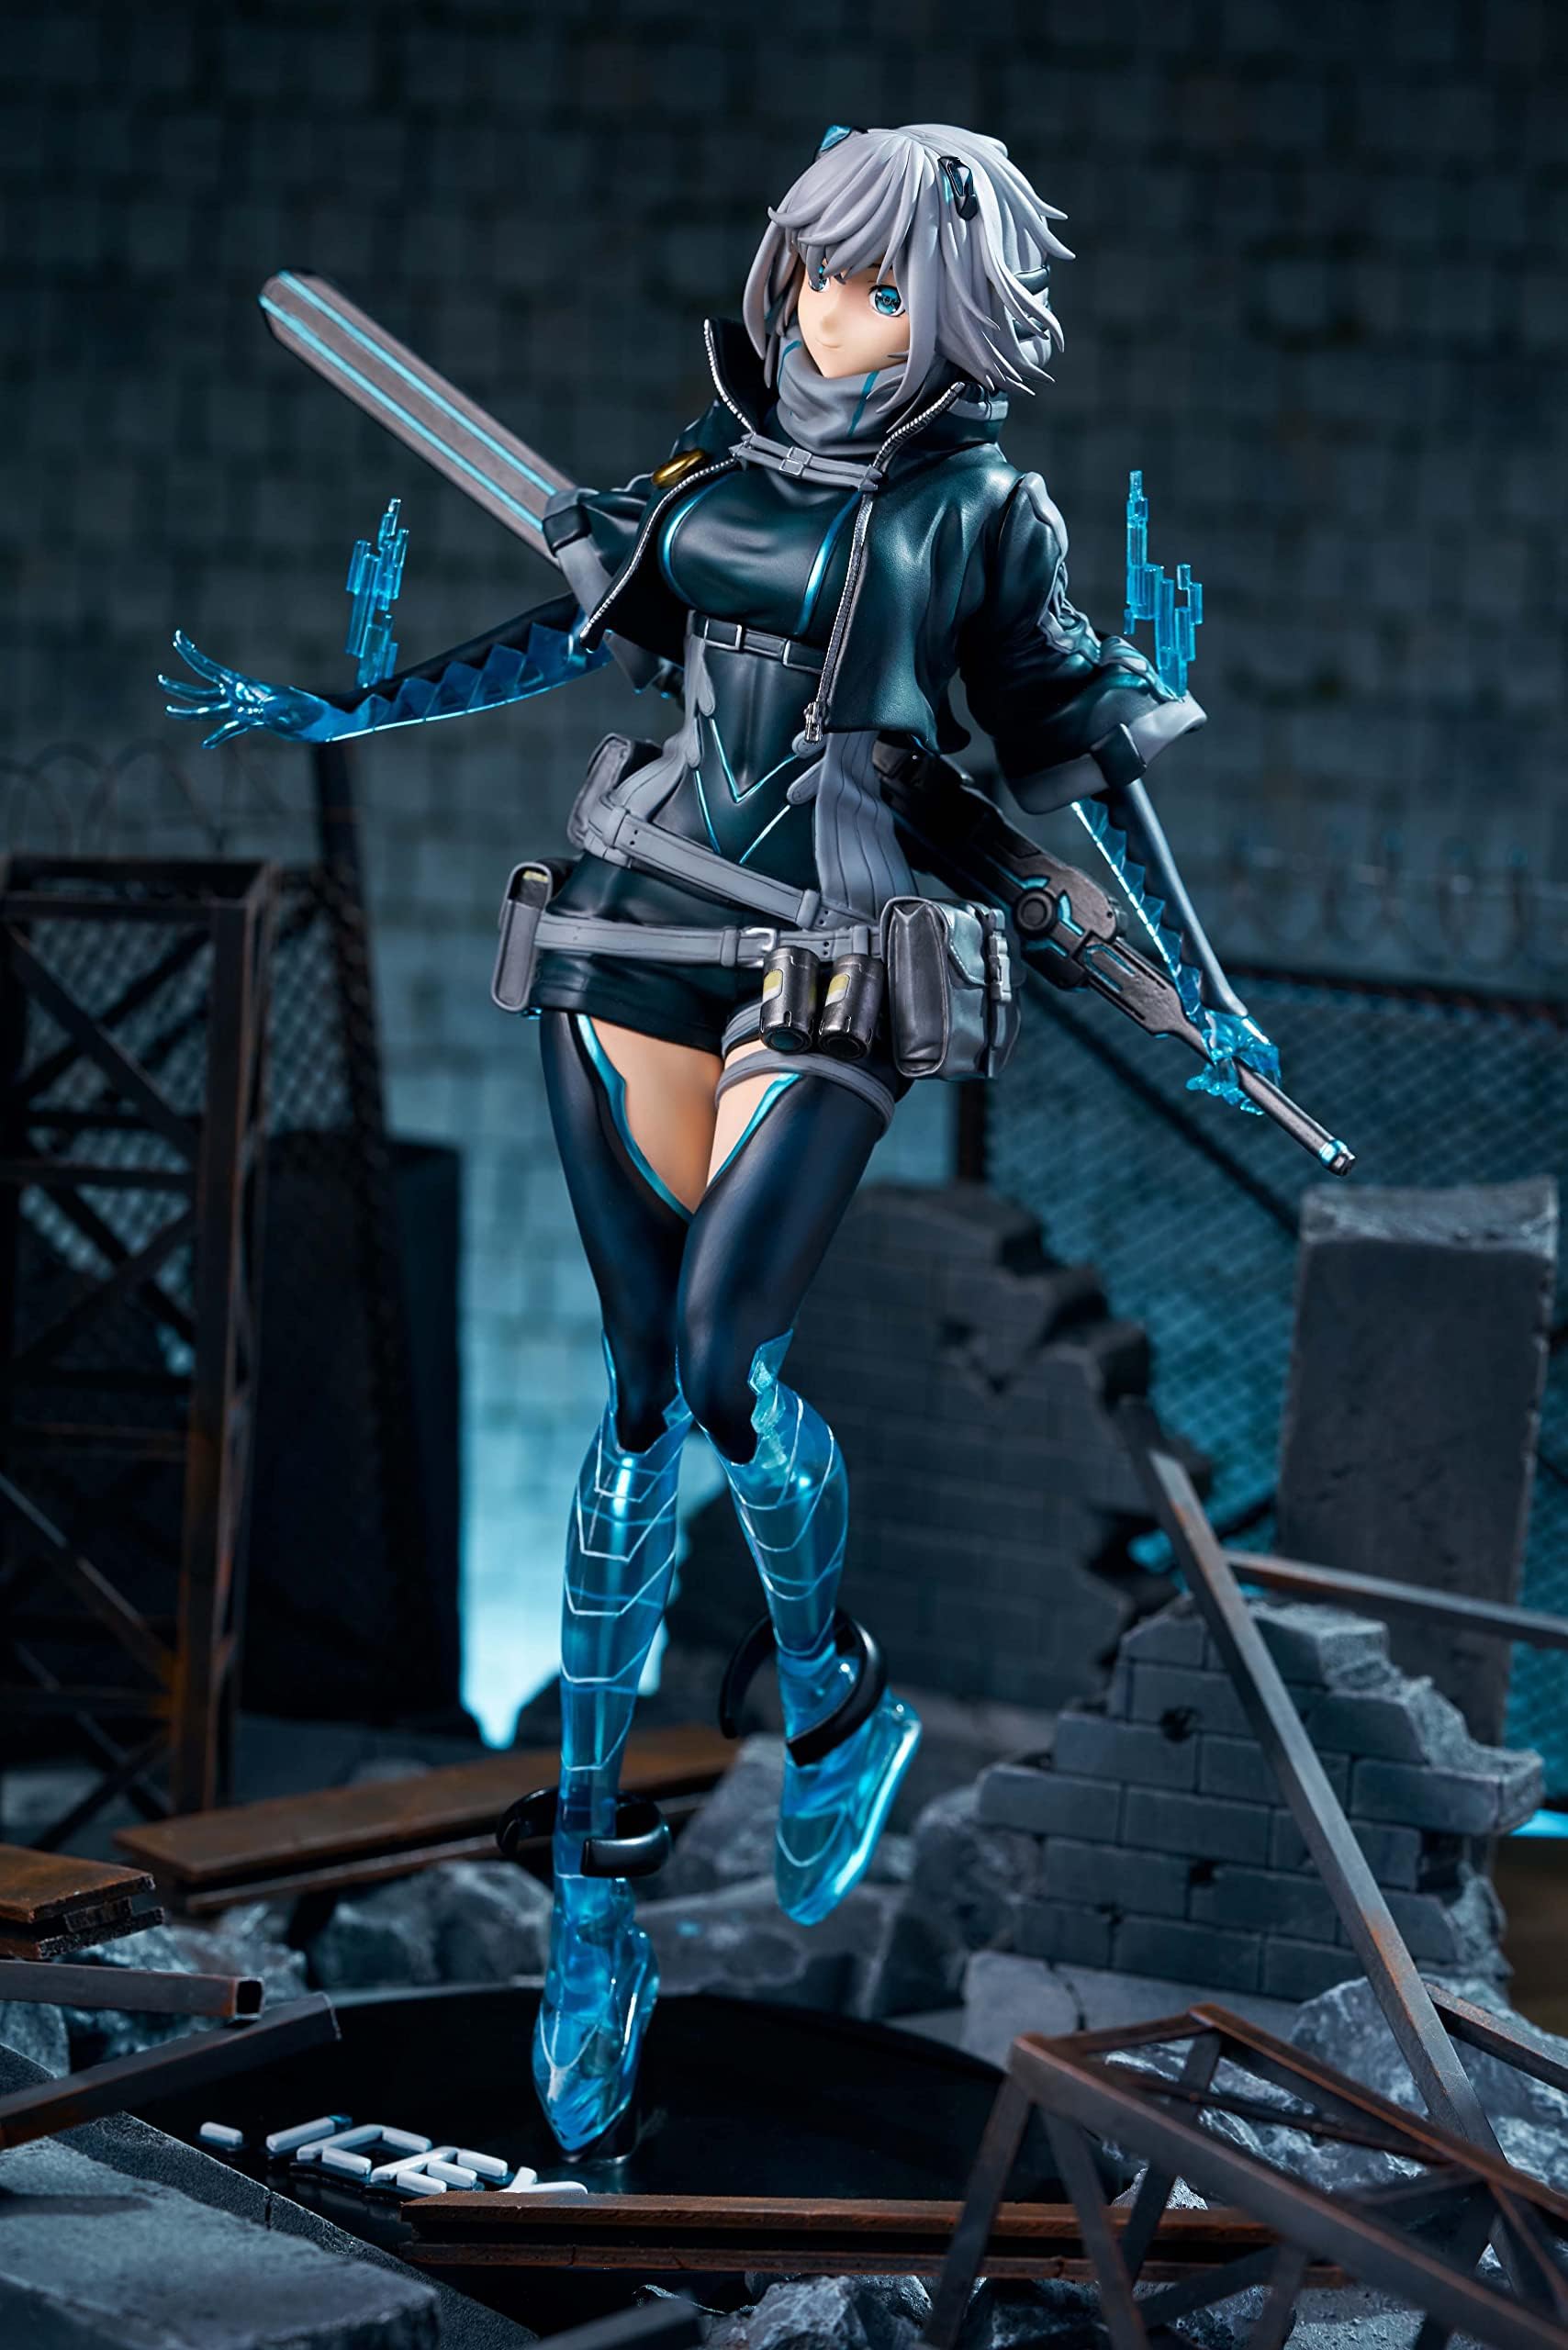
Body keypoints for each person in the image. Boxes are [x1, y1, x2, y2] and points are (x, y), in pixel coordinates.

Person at [163, 121, 1278, 2154]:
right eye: (811, 275)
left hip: (831, 954)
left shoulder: (981, 510)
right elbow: (569, 633)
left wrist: (1194, 984)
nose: (827, 316)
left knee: (723, 1365)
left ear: (948, 311)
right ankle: (594, 1903)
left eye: (873, 287)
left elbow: (1074, 765)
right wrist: (343, 712)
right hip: (631, 923)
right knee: (625, 1405)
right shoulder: (702, 469)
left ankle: (833, 1684)